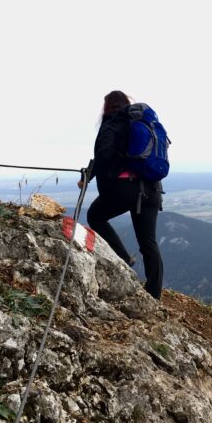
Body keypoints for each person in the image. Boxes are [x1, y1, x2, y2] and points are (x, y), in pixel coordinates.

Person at [84, 90, 164, 300]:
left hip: (126, 188)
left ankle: (122, 257)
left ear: (107, 107)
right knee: (149, 243)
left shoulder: (112, 123)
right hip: (153, 188)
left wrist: (87, 176)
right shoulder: (143, 122)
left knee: (95, 215)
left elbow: (103, 156)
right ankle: (154, 294)